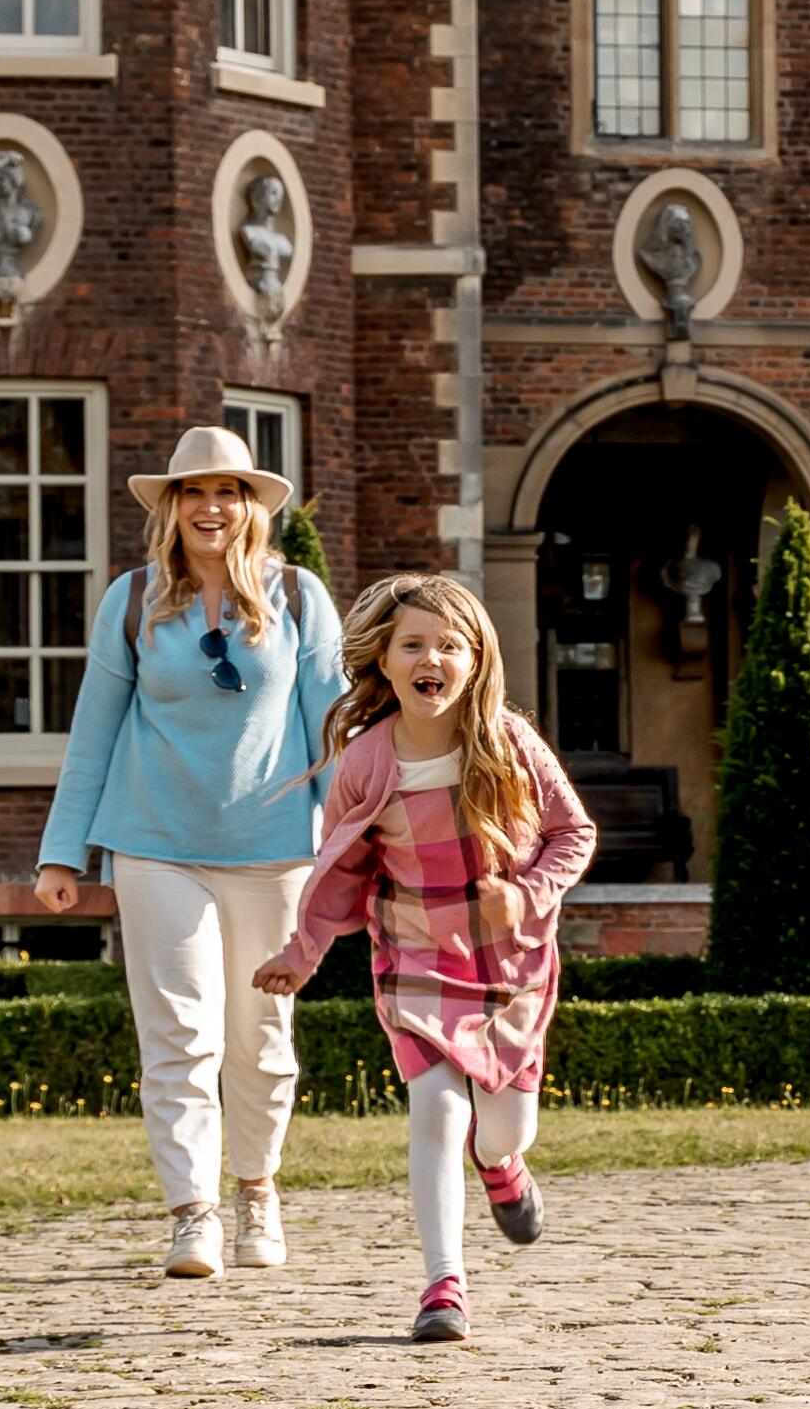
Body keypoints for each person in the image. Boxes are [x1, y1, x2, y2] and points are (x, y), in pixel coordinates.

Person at [36, 425, 346, 1281]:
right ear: (172, 507)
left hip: (275, 852)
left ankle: (257, 1192)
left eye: (228, 492)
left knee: (262, 1037)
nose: (211, 507)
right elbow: (94, 731)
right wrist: (63, 853)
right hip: (156, 848)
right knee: (179, 1033)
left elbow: (333, 730)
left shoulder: (299, 596)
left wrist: (355, 848)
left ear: (252, 507)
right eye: (194, 492)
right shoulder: (133, 599)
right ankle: (192, 1213)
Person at [254, 572, 595, 1347]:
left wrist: (527, 894)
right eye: (412, 645)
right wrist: (303, 951)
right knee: (437, 1109)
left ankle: (500, 1166)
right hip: (414, 953)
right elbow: (338, 869)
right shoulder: (367, 761)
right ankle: (444, 1285)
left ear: (475, 661)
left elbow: (572, 832)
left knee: (504, 1128)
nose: (429, 658)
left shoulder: (508, 742)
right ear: (384, 660)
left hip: (508, 962)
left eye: (448, 645)